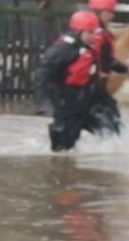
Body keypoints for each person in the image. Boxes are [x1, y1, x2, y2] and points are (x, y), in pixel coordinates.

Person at [38, 11, 112, 152]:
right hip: (66, 101)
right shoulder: (61, 51)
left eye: (94, 32)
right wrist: (43, 102)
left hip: (85, 99)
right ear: (78, 31)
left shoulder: (86, 48)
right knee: (65, 145)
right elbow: (43, 77)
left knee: (109, 127)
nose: (93, 36)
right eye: (89, 32)